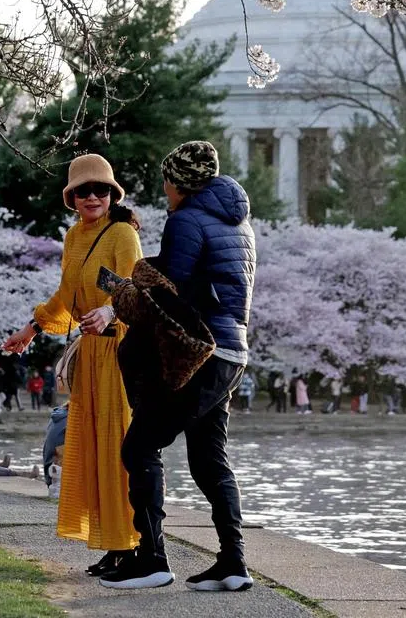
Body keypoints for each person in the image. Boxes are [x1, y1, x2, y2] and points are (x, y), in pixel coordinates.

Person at [106, 141, 256, 592]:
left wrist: (125, 291)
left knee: (139, 447)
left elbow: (169, 294)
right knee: (210, 459)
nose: (165, 190)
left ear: (179, 182)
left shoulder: (186, 219)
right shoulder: (240, 223)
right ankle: (233, 563)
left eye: (167, 182)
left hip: (197, 354)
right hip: (232, 352)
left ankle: (152, 559)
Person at [3, 154, 143, 579]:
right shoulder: (72, 237)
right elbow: (66, 293)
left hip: (118, 352)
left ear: (112, 194)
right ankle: (108, 543)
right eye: (83, 191)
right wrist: (31, 328)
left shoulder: (122, 234)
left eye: (101, 189)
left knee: (119, 448)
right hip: (90, 356)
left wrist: (109, 313)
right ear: (72, 197)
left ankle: (131, 544)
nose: (92, 197)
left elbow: (135, 291)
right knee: (92, 449)